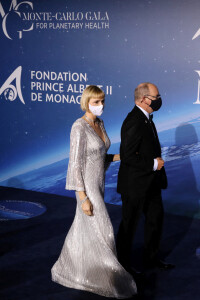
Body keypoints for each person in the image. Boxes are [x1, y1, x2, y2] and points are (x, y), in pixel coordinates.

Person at [51, 85, 137, 298]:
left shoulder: (100, 123)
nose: (101, 105)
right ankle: (109, 277)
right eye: (96, 102)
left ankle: (72, 268)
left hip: (99, 183)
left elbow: (99, 156)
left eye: (102, 101)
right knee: (104, 229)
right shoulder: (79, 127)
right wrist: (82, 198)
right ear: (86, 102)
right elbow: (75, 164)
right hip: (87, 187)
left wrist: (121, 157)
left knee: (85, 227)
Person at [116, 82, 174, 273]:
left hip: (151, 182)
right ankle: (123, 267)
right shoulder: (133, 120)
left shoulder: (147, 119)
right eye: (156, 97)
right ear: (144, 99)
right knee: (129, 226)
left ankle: (151, 259)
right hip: (134, 184)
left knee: (155, 220)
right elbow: (128, 155)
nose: (159, 100)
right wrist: (153, 164)